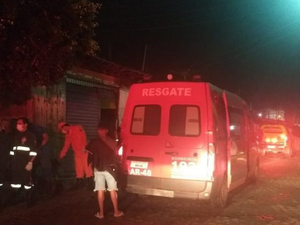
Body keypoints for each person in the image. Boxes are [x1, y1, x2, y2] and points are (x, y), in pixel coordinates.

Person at [87, 123, 124, 219]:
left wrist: (90, 167)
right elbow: (117, 156)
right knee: (112, 190)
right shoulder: (113, 142)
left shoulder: (93, 142)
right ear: (106, 130)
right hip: (110, 169)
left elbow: (89, 157)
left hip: (98, 169)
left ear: (98, 131)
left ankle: (101, 213)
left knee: (100, 190)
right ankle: (116, 212)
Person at [10, 117, 37, 207]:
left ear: (25, 125)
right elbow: (13, 150)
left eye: (20, 123)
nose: (18, 125)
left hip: (26, 162)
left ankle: (29, 199)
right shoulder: (16, 136)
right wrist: (11, 161)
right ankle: (16, 197)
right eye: (17, 123)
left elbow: (34, 151)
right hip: (16, 163)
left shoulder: (30, 136)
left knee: (27, 182)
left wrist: (30, 162)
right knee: (15, 182)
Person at [58, 122, 93, 188]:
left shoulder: (77, 128)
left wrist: (83, 147)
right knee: (78, 169)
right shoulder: (68, 135)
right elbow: (66, 145)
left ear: (64, 127)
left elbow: (83, 136)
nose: (62, 131)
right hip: (77, 153)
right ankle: (80, 184)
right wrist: (62, 154)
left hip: (84, 152)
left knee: (87, 168)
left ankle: (90, 185)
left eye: (61, 129)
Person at [28, 123, 52, 196]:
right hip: (33, 152)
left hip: (42, 151)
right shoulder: (25, 131)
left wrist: (39, 147)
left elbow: (46, 138)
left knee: (45, 169)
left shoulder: (36, 128)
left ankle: (49, 189)